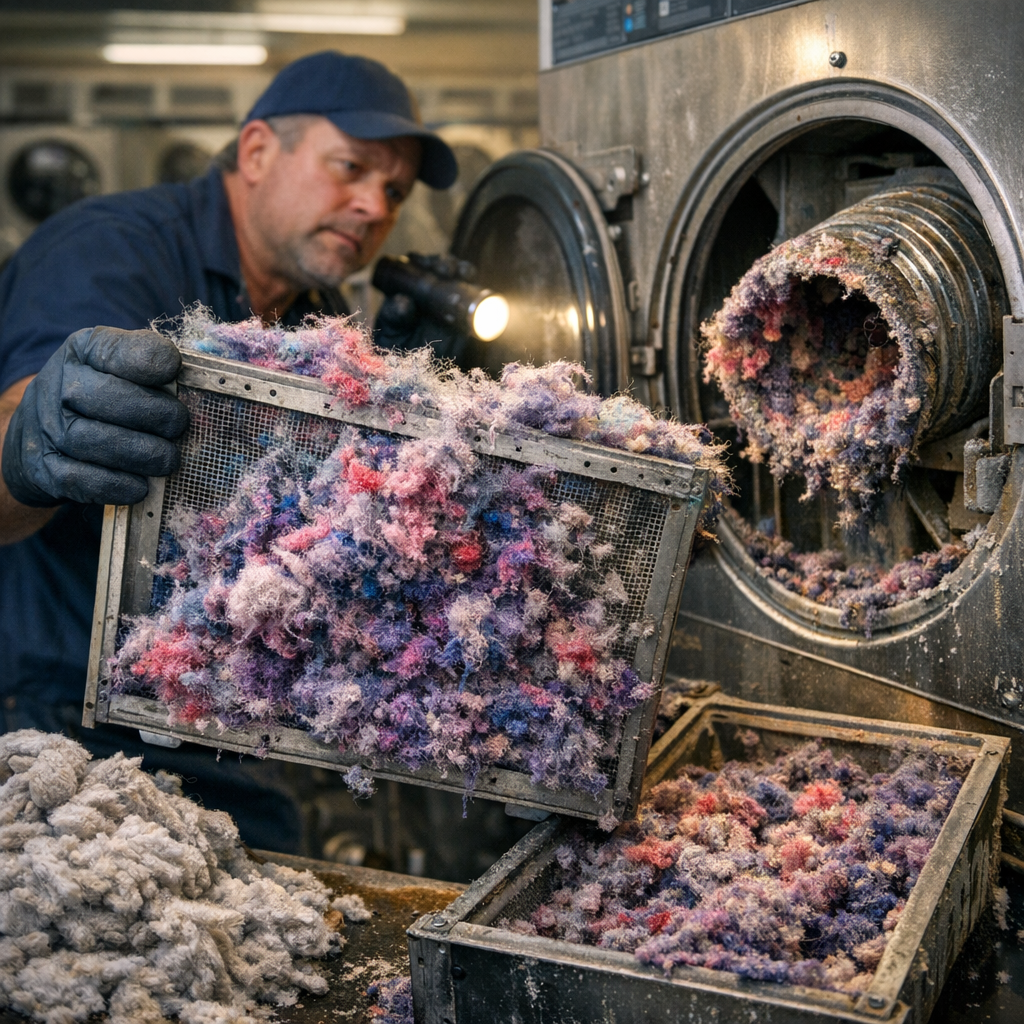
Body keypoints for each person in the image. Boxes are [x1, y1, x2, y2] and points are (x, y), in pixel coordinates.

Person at [0, 51, 459, 853]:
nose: (371, 205)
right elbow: (22, 416)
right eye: (350, 167)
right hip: (55, 705)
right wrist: (28, 442)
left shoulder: (308, 313)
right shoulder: (113, 249)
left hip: (200, 712)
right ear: (255, 153)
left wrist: (397, 409)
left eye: (394, 190)